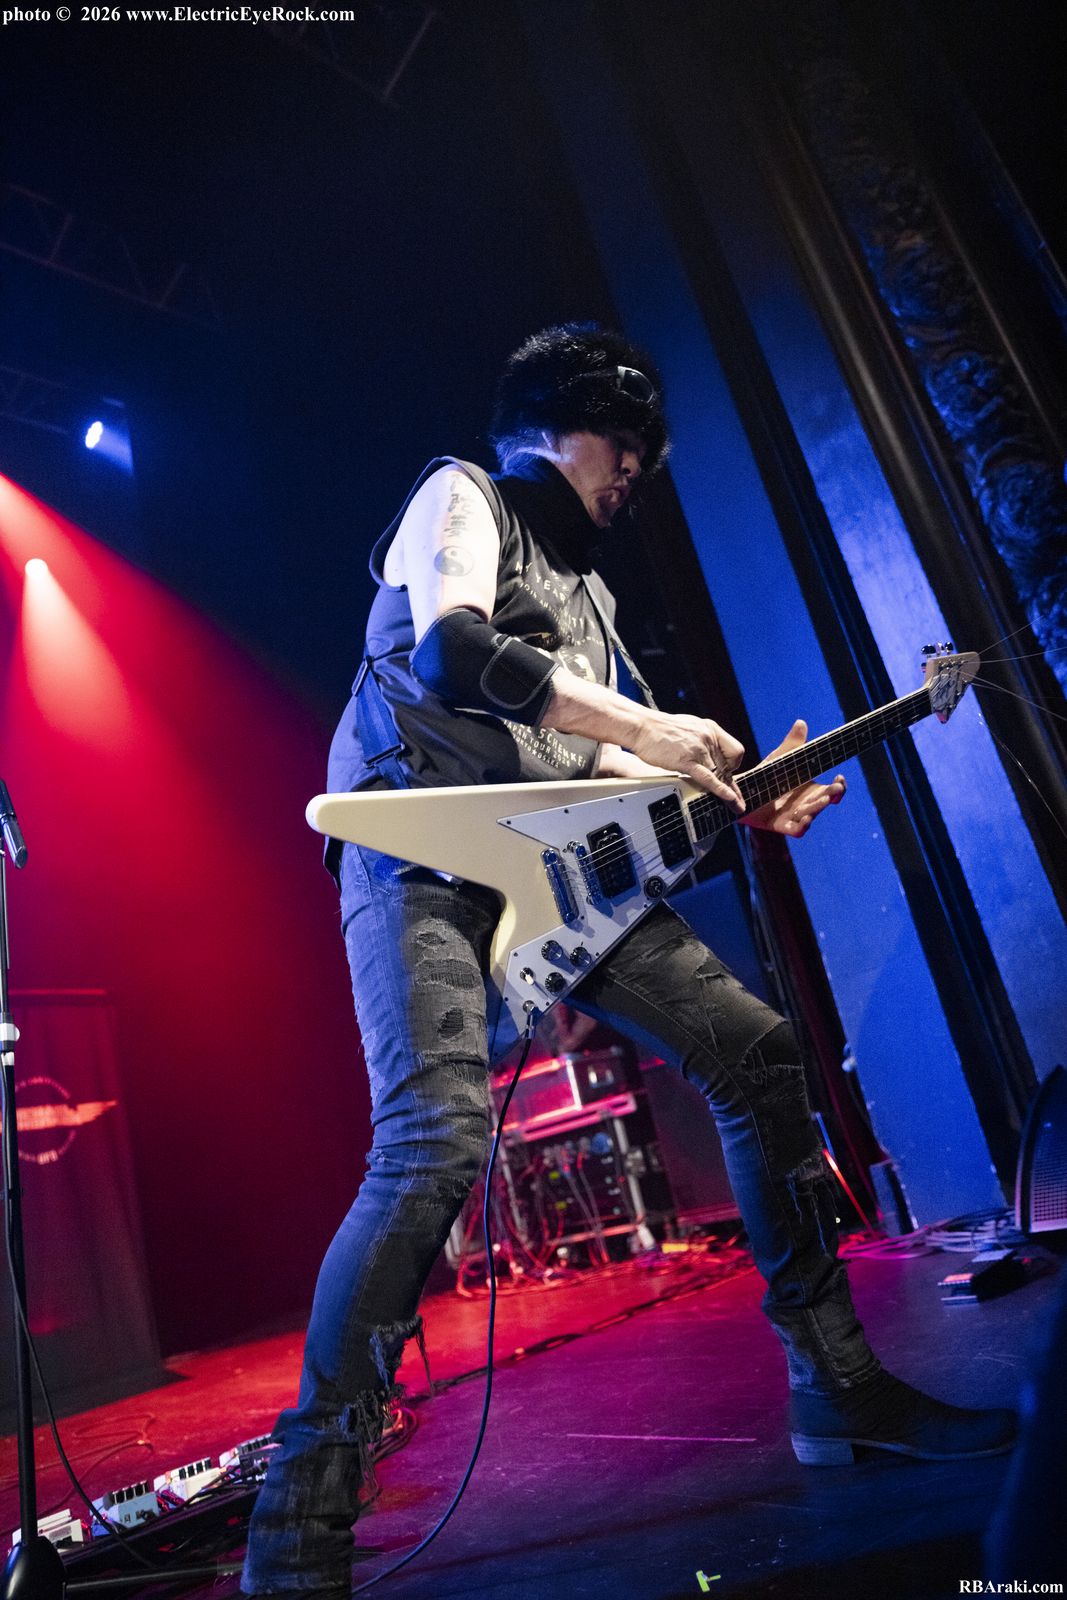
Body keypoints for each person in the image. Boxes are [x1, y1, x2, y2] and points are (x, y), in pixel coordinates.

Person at [242, 324, 1015, 1599]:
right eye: (622, 444)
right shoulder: (463, 493)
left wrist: (738, 794)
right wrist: (652, 730)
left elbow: (603, 766)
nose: (635, 471)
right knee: (431, 1142)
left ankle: (837, 1387)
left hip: (543, 861)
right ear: (556, 424)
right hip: (412, 840)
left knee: (754, 1052)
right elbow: (451, 653)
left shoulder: (593, 607)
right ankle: (296, 1522)